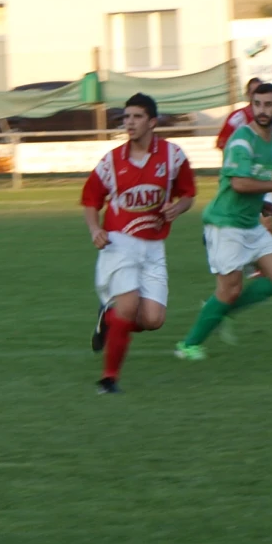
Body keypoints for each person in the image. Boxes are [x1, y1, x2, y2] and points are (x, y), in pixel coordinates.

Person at [176, 82, 272, 361]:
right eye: (258, 104)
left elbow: (256, 181)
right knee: (229, 290)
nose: (263, 110)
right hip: (225, 224)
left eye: (269, 104)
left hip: (249, 223)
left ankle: (220, 311)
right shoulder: (242, 139)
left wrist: (265, 204)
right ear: (251, 105)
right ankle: (188, 346)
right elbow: (239, 183)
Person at [80, 93, 195, 393]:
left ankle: (109, 318)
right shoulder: (112, 161)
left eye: (136, 117)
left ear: (153, 122)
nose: (129, 122)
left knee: (153, 319)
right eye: (126, 117)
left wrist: (178, 208)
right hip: (120, 243)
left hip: (154, 247)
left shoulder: (173, 157)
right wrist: (95, 230)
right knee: (129, 306)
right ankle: (109, 379)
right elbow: (90, 199)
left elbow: (188, 194)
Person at [217, 77, 272, 233]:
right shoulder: (237, 118)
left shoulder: (269, 118)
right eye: (253, 91)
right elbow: (222, 142)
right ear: (248, 95)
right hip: (240, 178)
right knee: (237, 224)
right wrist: (231, 168)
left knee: (268, 223)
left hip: (262, 178)